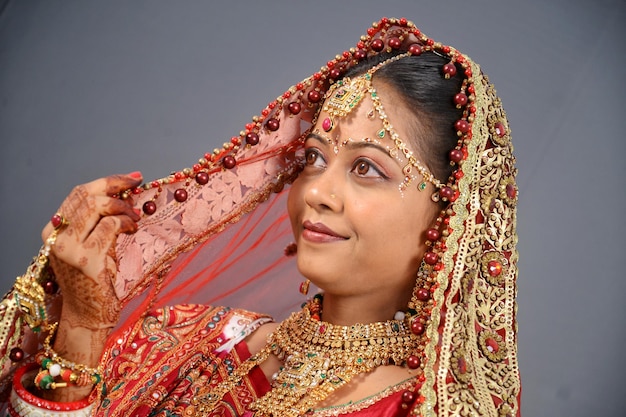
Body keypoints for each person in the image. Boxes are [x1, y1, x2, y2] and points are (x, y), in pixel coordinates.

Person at [0, 17, 520, 416]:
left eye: (366, 168)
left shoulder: (420, 407)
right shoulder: (186, 339)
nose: (317, 190)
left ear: (453, 216)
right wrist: (83, 326)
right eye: (314, 157)